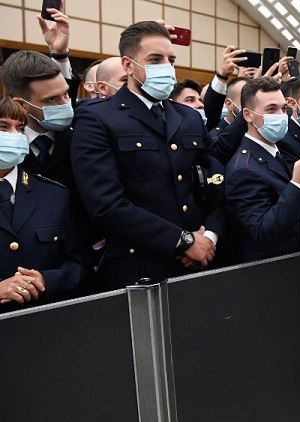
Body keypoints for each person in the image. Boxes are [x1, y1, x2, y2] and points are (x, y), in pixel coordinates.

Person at [70, 21, 223, 289]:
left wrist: (209, 235)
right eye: (155, 59)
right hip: (140, 268)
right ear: (128, 65)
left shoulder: (188, 118)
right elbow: (106, 204)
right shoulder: (98, 117)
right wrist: (183, 241)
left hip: (201, 262)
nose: (167, 67)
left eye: (170, 59)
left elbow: (216, 181)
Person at [0, 97, 84, 311]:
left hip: (44, 326)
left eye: (20, 129)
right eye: (3, 127)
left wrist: (46, 280)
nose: (13, 135)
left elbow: (79, 265)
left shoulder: (54, 194)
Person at [224, 78, 300, 261]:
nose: (281, 115)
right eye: (271, 109)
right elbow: (263, 232)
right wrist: (298, 185)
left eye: (283, 109)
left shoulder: (275, 151)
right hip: (269, 270)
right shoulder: (243, 170)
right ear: (248, 115)